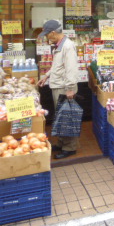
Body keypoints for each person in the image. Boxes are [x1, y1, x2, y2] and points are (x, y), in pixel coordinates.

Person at [36, 20, 80, 159]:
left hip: (64, 88)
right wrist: (46, 76)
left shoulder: (67, 46)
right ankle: (62, 143)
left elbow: (71, 69)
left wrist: (70, 89)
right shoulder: (59, 45)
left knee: (67, 118)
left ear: (53, 33)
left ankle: (69, 147)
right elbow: (58, 66)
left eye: (47, 34)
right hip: (58, 85)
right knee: (61, 117)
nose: (46, 37)